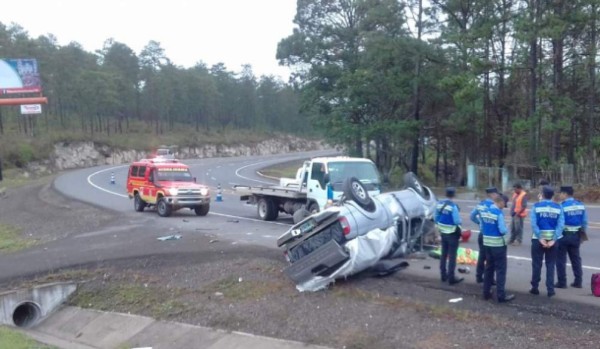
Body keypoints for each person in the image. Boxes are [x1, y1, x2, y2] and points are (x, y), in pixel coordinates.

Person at [530, 185, 564, 297]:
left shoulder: (536, 206)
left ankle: (535, 287)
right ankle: (550, 289)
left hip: (538, 240)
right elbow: (560, 225)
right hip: (553, 241)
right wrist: (553, 239)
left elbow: (534, 224)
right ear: (552, 195)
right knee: (550, 264)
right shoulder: (558, 208)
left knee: (536, 264)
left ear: (543, 195)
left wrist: (540, 237)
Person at [481, 195, 515, 302]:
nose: (504, 206)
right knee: (500, 270)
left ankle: (486, 293)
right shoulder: (498, 214)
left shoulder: (484, 211)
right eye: (504, 203)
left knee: (488, 269)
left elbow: (482, 227)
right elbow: (502, 230)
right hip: (498, 245)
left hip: (487, 244)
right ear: (499, 202)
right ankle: (501, 295)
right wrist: (507, 226)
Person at [555, 185, 587, 289]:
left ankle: (562, 282)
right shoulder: (580, 205)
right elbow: (584, 222)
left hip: (564, 235)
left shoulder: (561, 206)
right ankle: (578, 281)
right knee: (576, 259)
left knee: (560, 259)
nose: (559, 195)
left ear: (565, 194)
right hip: (576, 235)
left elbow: (559, 223)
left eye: (560, 193)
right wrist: (582, 234)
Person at [435, 187, 463, 285]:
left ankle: (443, 275)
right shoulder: (453, 206)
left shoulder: (440, 204)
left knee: (443, 254)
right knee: (452, 256)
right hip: (452, 234)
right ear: (453, 195)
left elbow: (436, 217)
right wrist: (461, 221)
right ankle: (451, 277)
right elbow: (456, 221)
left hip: (443, 233)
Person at [470, 187, 499, 284]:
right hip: (491, 235)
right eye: (496, 194)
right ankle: (490, 279)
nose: (497, 196)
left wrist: (479, 223)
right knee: (491, 258)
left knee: (482, 256)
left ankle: (479, 276)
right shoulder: (494, 206)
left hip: (482, 234)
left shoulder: (480, 205)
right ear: (492, 195)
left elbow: (472, 216)